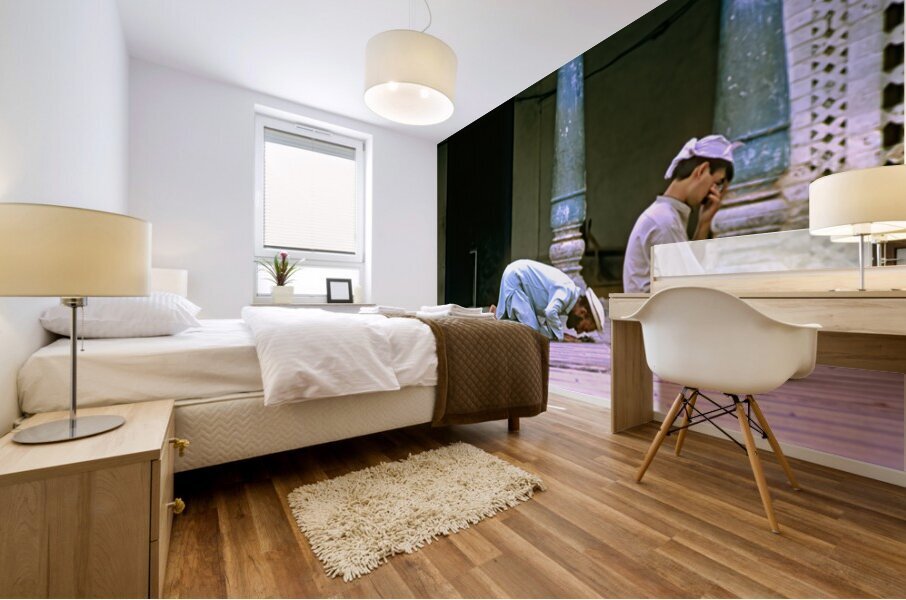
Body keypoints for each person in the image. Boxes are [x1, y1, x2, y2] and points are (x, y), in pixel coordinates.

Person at [622, 135, 741, 293]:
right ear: (702, 170)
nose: (715, 192)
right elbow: (691, 289)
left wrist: (703, 224)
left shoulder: (668, 215)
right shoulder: (664, 221)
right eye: (717, 183)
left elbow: (688, 275)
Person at [491, 259, 605, 342]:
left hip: (517, 277)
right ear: (583, 312)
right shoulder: (567, 291)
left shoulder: (568, 297)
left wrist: (556, 334)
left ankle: (498, 315)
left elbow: (549, 320)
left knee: (536, 329)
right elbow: (550, 312)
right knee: (532, 332)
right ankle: (498, 317)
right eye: (584, 328)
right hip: (516, 278)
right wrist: (560, 337)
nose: (579, 332)